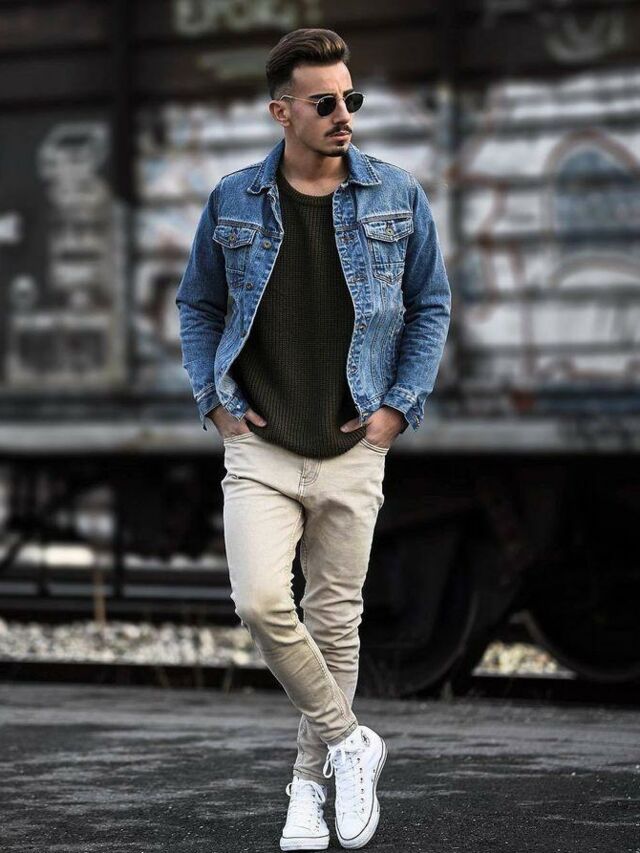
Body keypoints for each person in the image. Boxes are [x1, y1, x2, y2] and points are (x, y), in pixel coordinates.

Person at [176, 27, 451, 851]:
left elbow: (431, 304)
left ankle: (306, 788)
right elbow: (199, 304)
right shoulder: (233, 199)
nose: (344, 115)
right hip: (260, 442)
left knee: (334, 623)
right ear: (282, 112)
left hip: (355, 440)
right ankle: (348, 739)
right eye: (324, 102)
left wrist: (397, 408)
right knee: (261, 601)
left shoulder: (397, 193)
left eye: (350, 98)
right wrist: (214, 401)